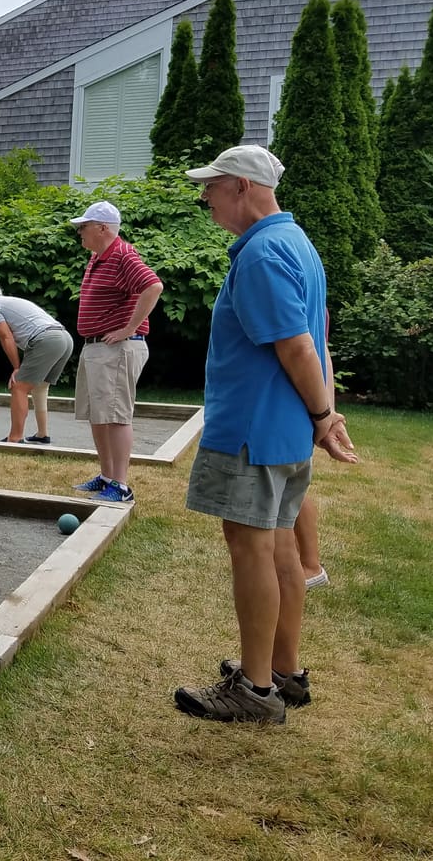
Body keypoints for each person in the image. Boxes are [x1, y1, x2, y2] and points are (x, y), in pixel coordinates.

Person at [172, 145, 356, 724]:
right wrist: (322, 414)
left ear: (242, 188)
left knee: (250, 550)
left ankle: (253, 692)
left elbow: (297, 345)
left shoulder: (262, 253)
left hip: (252, 430)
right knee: (280, 550)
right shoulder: (297, 244)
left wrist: (325, 417)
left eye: (212, 187)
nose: (205, 198)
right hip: (284, 432)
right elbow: (316, 342)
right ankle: (283, 673)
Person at [68, 200, 163, 503]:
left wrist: (127, 328)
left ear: (103, 228)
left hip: (118, 348)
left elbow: (153, 286)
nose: (80, 232)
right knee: (100, 415)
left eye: (84, 227)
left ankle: (120, 486)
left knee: (117, 415)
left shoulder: (122, 255)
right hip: (97, 347)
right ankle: (107, 476)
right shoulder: (99, 257)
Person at [0, 280, 73, 444]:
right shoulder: (10, 302)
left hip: (47, 339)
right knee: (39, 387)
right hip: (64, 338)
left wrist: (16, 368)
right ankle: (42, 434)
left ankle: (15, 438)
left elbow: (6, 337)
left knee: (19, 386)